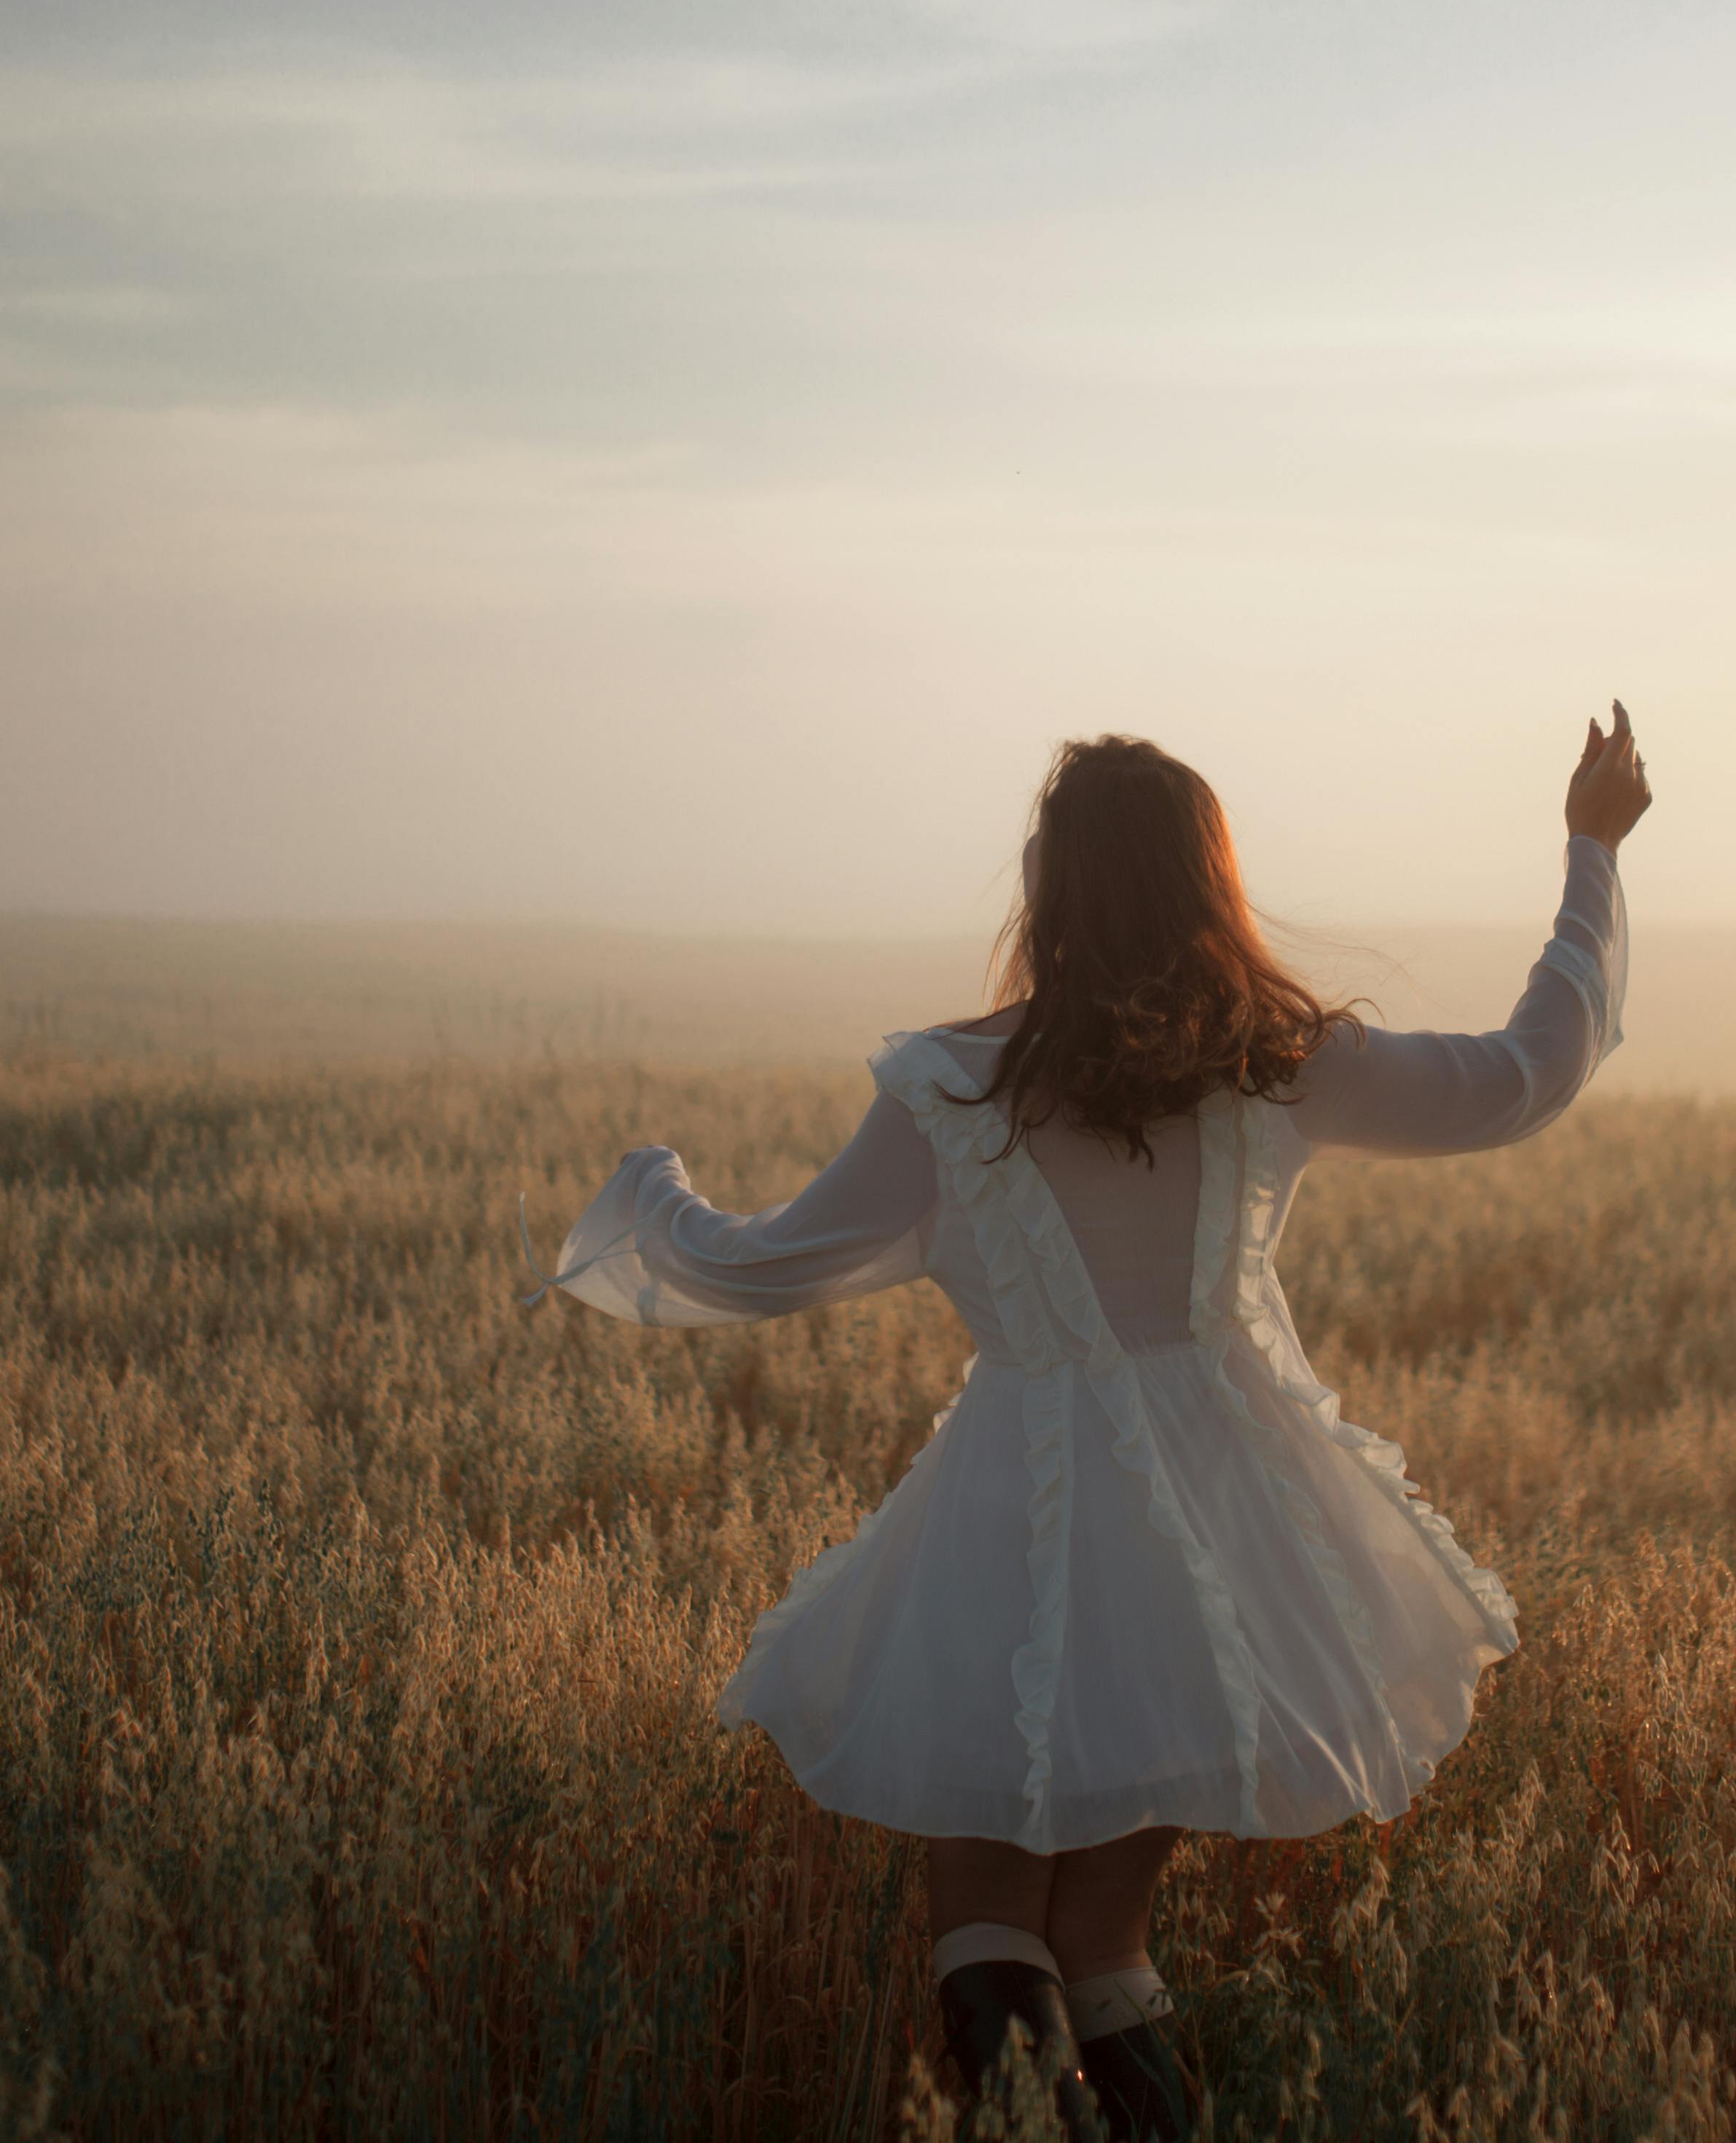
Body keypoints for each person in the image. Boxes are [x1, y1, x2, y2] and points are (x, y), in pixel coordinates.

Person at [541, 709, 1650, 2134]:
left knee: (992, 1918)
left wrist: (647, 1201)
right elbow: (1524, 1077)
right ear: (1209, 881)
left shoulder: (953, 1087)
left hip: (1022, 1510)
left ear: (1047, 886)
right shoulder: (1276, 1062)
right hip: (1224, 1529)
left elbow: (764, 1267)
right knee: (1108, 1941)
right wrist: (1594, 852)